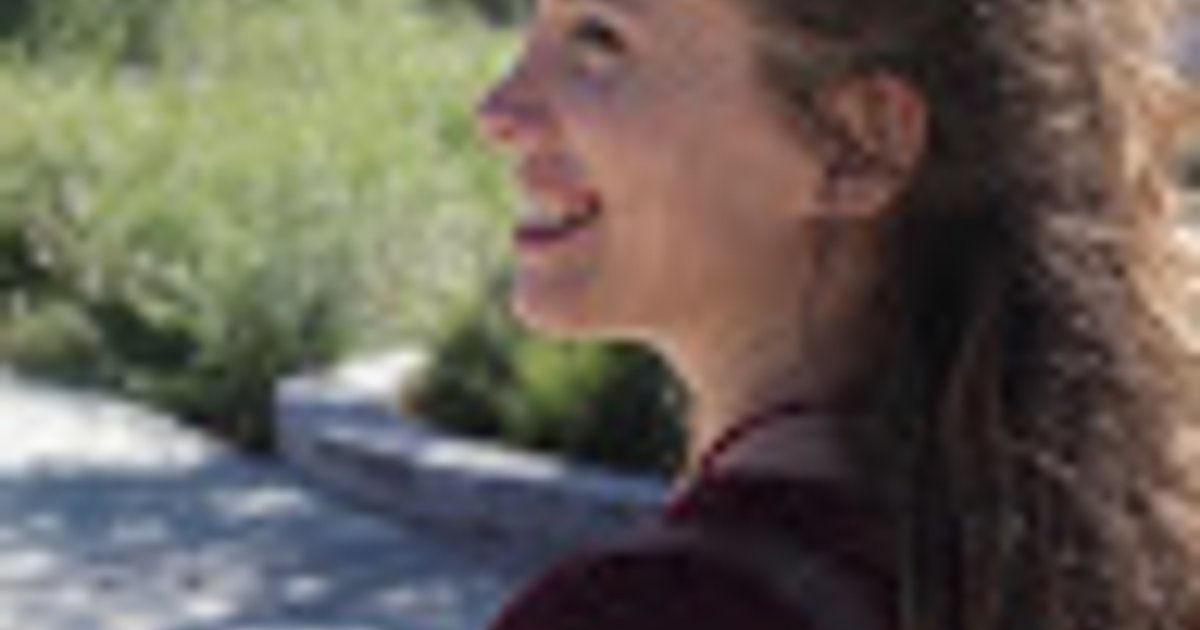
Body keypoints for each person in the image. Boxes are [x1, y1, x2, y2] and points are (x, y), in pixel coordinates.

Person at [474, 0, 1200, 627]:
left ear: (859, 143)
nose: (499, 110)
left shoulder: (653, 611)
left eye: (599, 41)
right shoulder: (1109, 559)